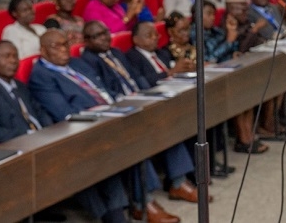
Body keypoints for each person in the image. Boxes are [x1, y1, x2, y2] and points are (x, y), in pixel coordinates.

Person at [28, 30, 180, 223]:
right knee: (119, 145)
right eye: (56, 46)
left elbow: (102, 89)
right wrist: (103, 113)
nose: (63, 49)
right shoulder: (41, 76)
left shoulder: (76, 63)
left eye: (65, 44)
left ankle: (144, 202)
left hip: (108, 115)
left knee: (137, 132)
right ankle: (134, 207)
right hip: (78, 129)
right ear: (43, 50)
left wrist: (117, 104)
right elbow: (64, 113)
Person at [76, 21, 205, 202]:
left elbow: (138, 78)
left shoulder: (116, 53)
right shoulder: (88, 61)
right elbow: (103, 90)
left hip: (140, 98)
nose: (105, 37)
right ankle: (149, 199)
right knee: (144, 133)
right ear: (86, 41)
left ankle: (180, 182)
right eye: (98, 35)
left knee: (167, 119)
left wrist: (146, 95)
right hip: (120, 108)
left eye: (106, 32)